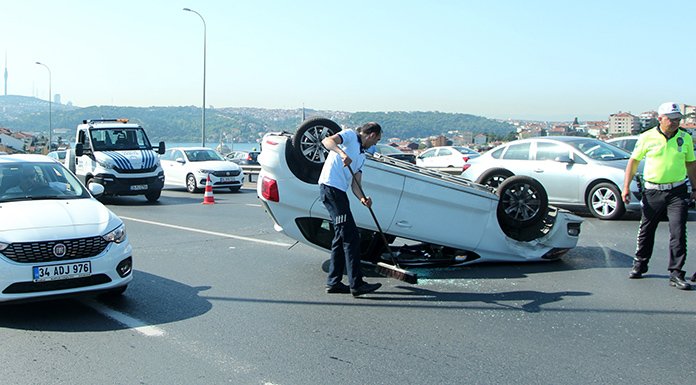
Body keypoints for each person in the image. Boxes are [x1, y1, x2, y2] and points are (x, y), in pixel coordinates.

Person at [622, 102, 696, 290]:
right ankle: (640, 264)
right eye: (671, 119)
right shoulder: (647, 137)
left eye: (678, 119)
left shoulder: (684, 138)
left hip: (677, 191)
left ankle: (676, 273)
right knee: (647, 229)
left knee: (678, 231)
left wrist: (695, 188)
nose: (675, 122)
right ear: (660, 119)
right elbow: (634, 162)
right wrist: (626, 188)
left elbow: (691, 164)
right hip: (653, 190)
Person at [318, 122, 383, 297]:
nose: (375, 144)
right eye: (376, 139)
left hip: (340, 192)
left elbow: (356, 184)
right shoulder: (350, 136)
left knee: (341, 237)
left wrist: (363, 198)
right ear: (371, 135)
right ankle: (357, 284)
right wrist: (341, 153)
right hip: (331, 189)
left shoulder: (362, 155)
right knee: (351, 236)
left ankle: (334, 282)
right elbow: (327, 141)